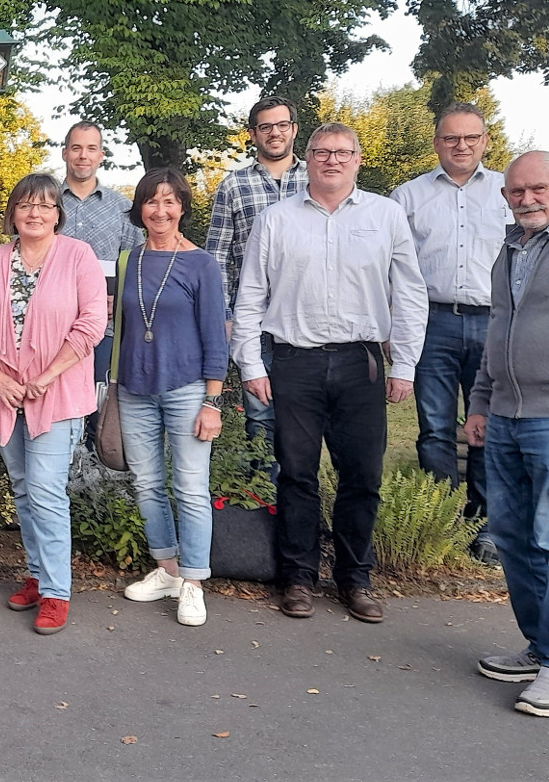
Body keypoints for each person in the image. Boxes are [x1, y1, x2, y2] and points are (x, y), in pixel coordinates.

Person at [231, 123, 428, 624]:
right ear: (308, 159)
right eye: (322, 152)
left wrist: (403, 363)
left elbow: (408, 292)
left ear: (359, 160)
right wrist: (251, 364)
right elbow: (251, 292)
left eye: (343, 153)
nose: (332, 160)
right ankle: (297, 577)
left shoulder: (386, 216)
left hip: (360, 362)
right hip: (294, 361)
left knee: (362, 475)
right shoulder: (277, 219)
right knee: (297, 474)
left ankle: (354, 578)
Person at [465, 151, 549, 717]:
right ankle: (540, 648)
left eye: (537, 189)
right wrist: (481, 402)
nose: (525, 200)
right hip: (507, 417)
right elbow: (498, 330)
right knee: (511, 537)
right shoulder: (509, 248)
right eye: (515, 192)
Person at [0, 173, 106, 634]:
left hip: (55, 394)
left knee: (45, 492)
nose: (34, 213)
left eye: (44, 205)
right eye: (25, 205)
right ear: (13, 214)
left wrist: (45, 376)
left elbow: (91, 325)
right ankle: (39, 576)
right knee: (24, 488)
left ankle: (57, 592)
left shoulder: (77, 256)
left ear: (57, 212)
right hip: (5, 395)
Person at [390, 103, 511, 565]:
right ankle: (438, 521)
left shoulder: (507, 192)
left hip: (494, 322)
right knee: (435, 429)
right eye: (450, 138)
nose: (461, 146)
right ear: (437, 141)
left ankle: (486, 529)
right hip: (432, 322)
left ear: (484, 140)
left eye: (470, 138)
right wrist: (395, 329)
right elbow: (394, 270)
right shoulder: (408, 197)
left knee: (489, 428)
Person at [117, 168, 227, 626]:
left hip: (186, 390)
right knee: (147, 486)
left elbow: (216, 339)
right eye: (151, 201)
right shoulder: (129, 260)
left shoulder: (201, 263)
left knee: (190, 489)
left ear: (182, 207)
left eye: (169, 201)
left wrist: (212, 402)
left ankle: (194, 584)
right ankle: (167, 571)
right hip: (133, 389)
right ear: (140, 208)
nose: (160, 210)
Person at [205, 96, 309, 485]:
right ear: (253, 135)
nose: (275, 133)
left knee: (301, 410)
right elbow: (217, 257)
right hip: (253, 319)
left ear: (294, 130)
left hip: (306, 319)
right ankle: (263, 490)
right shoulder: (234, 185)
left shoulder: (315, 178)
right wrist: (225, 317)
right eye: (265, 127)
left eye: (282, 125)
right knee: (260, 411)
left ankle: (299, 490)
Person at [59, 121, 144, 448]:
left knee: (97, 408)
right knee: (55, 406)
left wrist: (119, 298)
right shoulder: (45, 201)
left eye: (91, 148)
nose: (83, 155)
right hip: (51, 328)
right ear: (65, 152)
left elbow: (136, 266)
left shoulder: (122, 209)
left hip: (103, 330)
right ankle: (59, 480)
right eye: (76, 148)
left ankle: (97, 487)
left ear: (101, 155)